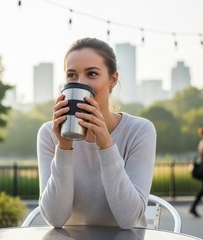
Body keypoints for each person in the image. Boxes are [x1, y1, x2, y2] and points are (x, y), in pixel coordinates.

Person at [37, 37, 157, 229]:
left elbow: (129, 220)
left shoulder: (140, 131)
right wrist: (64, 147)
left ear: (112, 80)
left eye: (91, 74)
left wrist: (106, 145)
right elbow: (55, 219)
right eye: (72, 75)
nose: (80, 83)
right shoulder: (49, 133)